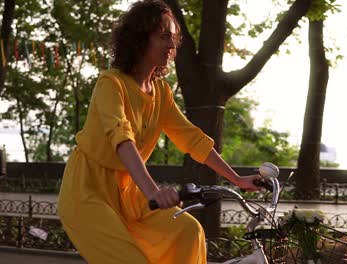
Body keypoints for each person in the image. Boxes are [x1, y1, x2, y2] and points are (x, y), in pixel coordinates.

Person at [57, 1, 261, 263]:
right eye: (164, 36)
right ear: (140, 38)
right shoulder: (111, 83)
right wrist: (153, 192)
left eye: (174, 38)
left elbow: (192, 140)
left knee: (188, 231)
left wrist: (238, 179)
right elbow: (122, 138)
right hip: (87, 191)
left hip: (130, 194)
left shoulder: (161, 93)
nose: (172, 46)